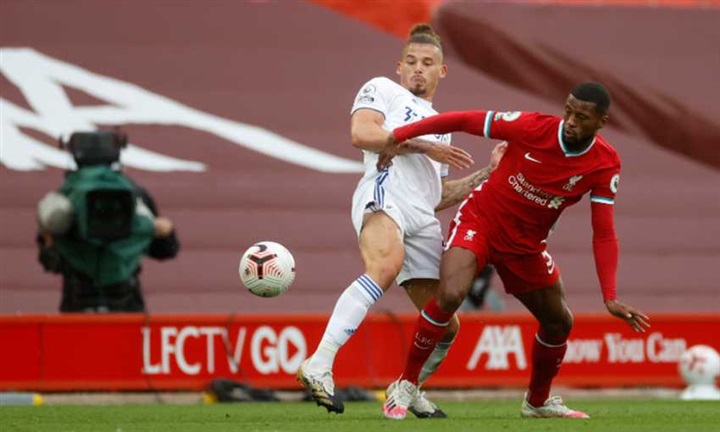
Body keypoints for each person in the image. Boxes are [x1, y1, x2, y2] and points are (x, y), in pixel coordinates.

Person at [381, 82, 651, 420]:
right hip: (481, 222)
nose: (570, 121)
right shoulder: (532, 126)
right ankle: (405, 385)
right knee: (450, 294)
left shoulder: (605, 163)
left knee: (559, 322)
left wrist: (609, 296)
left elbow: (604, 232)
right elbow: (463, 119)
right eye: (568, 111)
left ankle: (537, 402)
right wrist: (398, 135)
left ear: (601, 122)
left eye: (582, 117)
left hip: (525, 246)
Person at [296, 24, 506, 416]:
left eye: (427, 63)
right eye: (410, 62)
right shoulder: (383, 89)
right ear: (398, 66)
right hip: (385, 194)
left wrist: (487, 175)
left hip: (421, 217)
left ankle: (408, 388)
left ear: (442, 71)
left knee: (446, 322)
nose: (417, 69)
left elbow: (436, 195)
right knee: (385, 266)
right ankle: (319, 363)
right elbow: (362, 134)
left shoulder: (442, 126)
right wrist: (422, 145)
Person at [36, 131, 179, 312]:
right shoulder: (136, 195)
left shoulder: (64, 197)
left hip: (77, 302)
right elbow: (165, 250)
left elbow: (50, 261)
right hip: (127, 301)